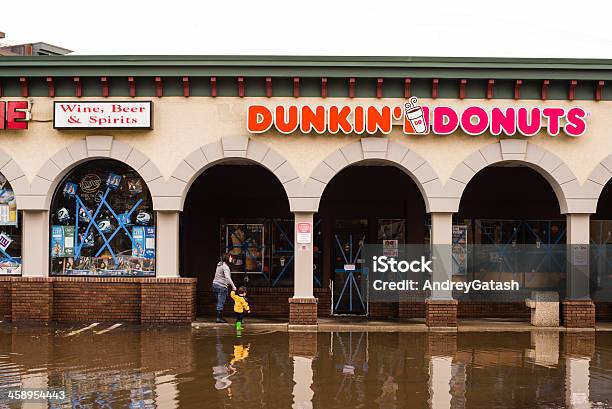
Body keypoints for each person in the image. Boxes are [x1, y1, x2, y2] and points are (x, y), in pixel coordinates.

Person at [212, 253, 236, 323]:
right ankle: (218, 318)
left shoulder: (219, 264)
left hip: (215, 285)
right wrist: (233, 286)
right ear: (227, 258)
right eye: (231, 257)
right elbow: (227, 277)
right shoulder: (225, 267)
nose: (231, 259)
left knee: (219, 302)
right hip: (221, 286)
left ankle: (219, 317)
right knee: (220, 302)